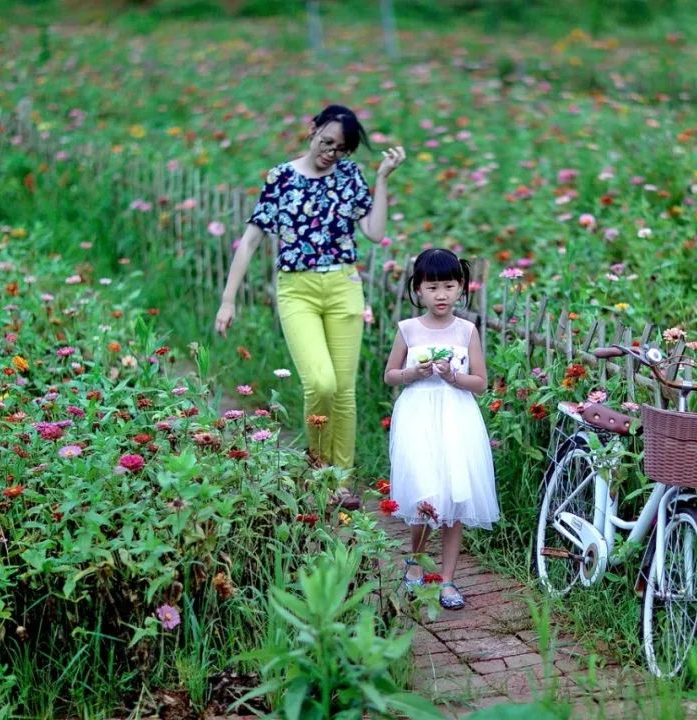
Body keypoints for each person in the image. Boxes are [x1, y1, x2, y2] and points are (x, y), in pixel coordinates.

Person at [214, 105, 405, 480]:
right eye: (327, 142)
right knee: (320, 382)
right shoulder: (282, 177)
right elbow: (250, 241)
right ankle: (318, 468)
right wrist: (228, 300)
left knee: (344, 390)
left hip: (343, 286)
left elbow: (374, 232)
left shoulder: (349, 175)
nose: (331, 153)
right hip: (297, 290)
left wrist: (382, 179)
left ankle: (339, 479)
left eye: (341, 149)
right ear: (313, 130)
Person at [383, 248, 499, 610]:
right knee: (424, 492)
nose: (441, 295)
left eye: (448, 286)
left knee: (456, 494)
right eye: (432, 288)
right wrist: (412, 373)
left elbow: (480, 382)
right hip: (418, 414)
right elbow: (389, 375)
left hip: (457, 417)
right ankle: (416, 559)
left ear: (461, 287)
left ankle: (447, 579)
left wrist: (453, 376)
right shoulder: (409, 329)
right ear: (418, 289)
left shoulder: (466, 331)